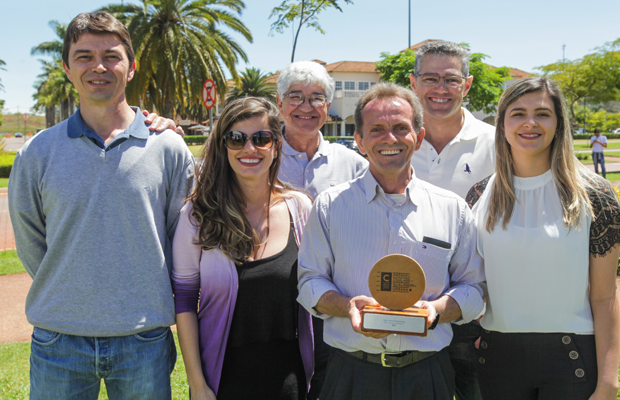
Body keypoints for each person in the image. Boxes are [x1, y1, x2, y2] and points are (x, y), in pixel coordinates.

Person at [8, 11, 195, 400]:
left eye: (111, 55)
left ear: (130, 68)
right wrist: (68, 286)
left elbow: (182, 237)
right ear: (67, 67)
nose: (99, 66)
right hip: (59, 338)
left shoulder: (168, 147)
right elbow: (30, 239)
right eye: (84, 56)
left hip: (143, 337)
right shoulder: (37, 152)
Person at [297, 82, 485, 400]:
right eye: (377, 129)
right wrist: (346, 306)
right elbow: (309, 283)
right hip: (351, 372)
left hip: (427, 374)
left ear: (419, 137)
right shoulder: (330, 206)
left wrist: (436, 310)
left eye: (401, 128)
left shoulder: (452, 208)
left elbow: (474, 290)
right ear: (359, 141)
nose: (390, 139)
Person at [466, 77, 620, 400]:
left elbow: (605, 297)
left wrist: (609, 379)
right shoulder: (480, 195)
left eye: (543, 113)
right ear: (502, 124)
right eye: (518, 113)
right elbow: (473, 282)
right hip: (497, 357)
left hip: (572, 355)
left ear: (558, 122)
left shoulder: (595, 195)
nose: (530, 123)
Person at [172, 97, 314, 400]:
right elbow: (184, 300)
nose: (249, 149)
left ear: (276, 146)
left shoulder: (299, 209)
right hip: (223, 379)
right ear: (223, 147)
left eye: (261, 139)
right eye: (236, 139)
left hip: (290, 379)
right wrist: (197, 384)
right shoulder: (198, 215)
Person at [407, 40, 495, 400]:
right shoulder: (395, 141)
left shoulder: (498, 143)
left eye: (451, 80)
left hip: (476, 313)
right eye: (430, 78)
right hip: (407, 306)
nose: (440, 89)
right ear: (413, 83)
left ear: (467, 85)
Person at [276, 60, 368, 399]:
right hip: (275, 295)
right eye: (295, 96)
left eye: (316, 98)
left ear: (328, 108)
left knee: (327, 383)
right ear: (279, 104)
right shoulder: (259, 156)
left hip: (333, 295)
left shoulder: (355, 165)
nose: (306, 107)